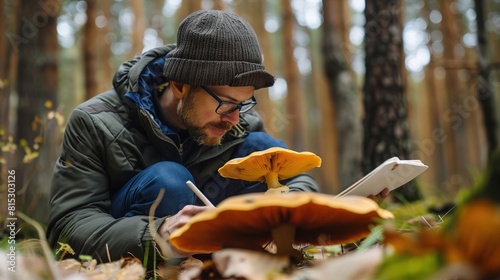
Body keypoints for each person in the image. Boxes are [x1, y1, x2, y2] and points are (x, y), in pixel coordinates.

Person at [47, 9, 387, 270]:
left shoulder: (239, 125)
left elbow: (298, 178)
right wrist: (160, 233)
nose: (235, 118)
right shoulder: (95, 122)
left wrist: (316, 210)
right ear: (180, 85)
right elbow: (68, 223)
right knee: (171, 181)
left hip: (214, 253)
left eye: (244, 104)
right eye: (225, 103)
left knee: (260, 148)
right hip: (139, 245)